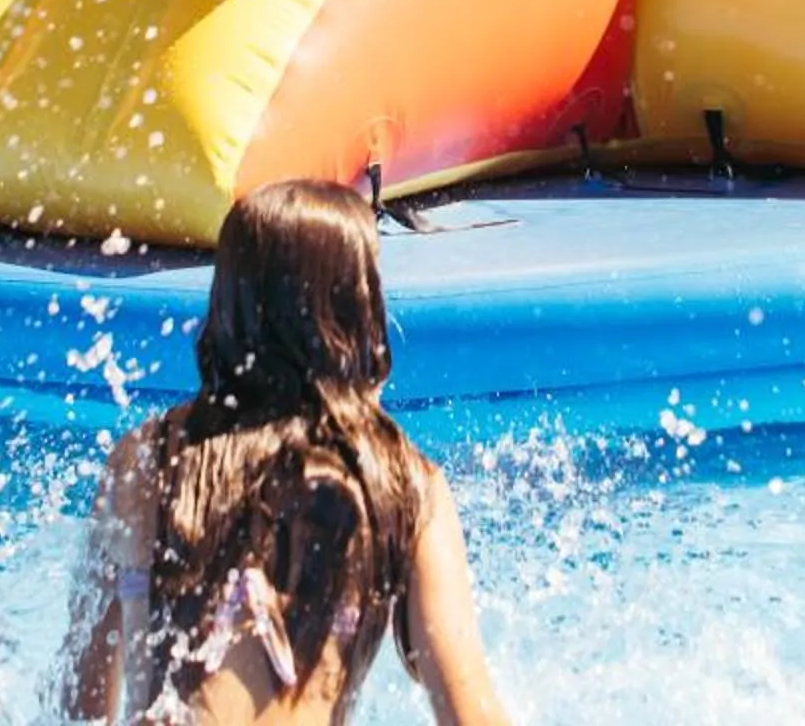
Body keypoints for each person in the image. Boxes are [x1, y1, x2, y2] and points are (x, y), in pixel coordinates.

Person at [57, 179, 510, 725]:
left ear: (227, 304)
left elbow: (80, 704)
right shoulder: (402, 482)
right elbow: (470, 714)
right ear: (357, 311)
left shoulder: (145, 460)